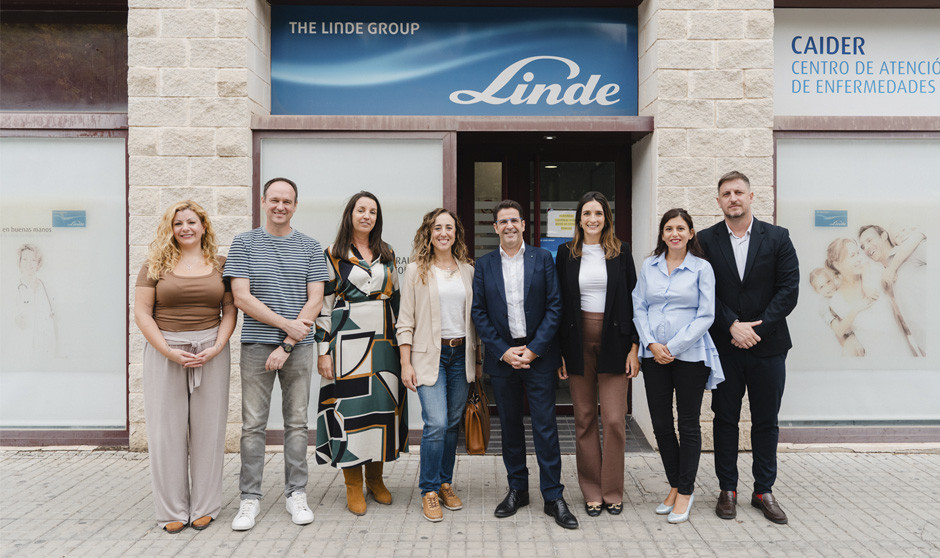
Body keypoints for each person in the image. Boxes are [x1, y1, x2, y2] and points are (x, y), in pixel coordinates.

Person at [225, 178, 328, 531]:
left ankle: (296, 494)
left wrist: (287, 344)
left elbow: (315, 299)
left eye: (287, 201)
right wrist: (288, 326)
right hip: (255, 346)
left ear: (295, 205)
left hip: (298, 350)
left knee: (297, 425)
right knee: (252, 426)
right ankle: (249, 499)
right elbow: (242, 297)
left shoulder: (311, 247)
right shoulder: (243, 243)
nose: (280, 206)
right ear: (264, 202)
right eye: (275, 200)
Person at [697, 171, 799, 525]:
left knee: (765, 421)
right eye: (726, 193)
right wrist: (730, 326)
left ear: (751, 196)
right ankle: (728, 490)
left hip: (768, 346)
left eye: (739, 192)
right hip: (724, 347)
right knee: (724, 419)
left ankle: (763, 491)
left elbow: (788, 290)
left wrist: (756, 328)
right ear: (719, 200)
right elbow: (703, 291)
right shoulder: (705, 241)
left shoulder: (778, 238)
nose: (733, 198)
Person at [471, 199, 578, 530]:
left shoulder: (542, 259)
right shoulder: (484, 265)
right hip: (503, 361)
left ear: (523, 224)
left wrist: (532, 349)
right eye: (502, 222)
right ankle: (517, 489)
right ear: (495, 228)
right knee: (511, 428)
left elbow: (555, 307)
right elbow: (479, 312)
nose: (509, 226)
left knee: (545, 427)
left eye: (513, 220)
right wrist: (505, 351)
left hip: (539, 358)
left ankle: (553, 496)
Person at [134, 200, 236, 534]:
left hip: (211, 352)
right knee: (167, 432)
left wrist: (217, 347)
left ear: (204, 226)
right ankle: (172, 510)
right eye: (178, 223)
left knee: (209, 430)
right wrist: (169, 352)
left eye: (192, 222)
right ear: (171, 228)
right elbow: (142, 313)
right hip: (166, 351)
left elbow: (230, 310)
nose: (185, 228)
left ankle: (205, 506)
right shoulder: (154, 264)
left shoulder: (221, 264)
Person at [315, 191, 408, 516]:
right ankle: (353, 484)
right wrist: (323, 350)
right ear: (350, 215)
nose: (366, 215)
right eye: (361, 210)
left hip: (384, 343)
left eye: (372, 211)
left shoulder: (387, 253)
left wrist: (403, 347)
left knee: (381, 410)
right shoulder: (332, 254)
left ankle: (377, 480)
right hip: (347, 343)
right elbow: (323, 306)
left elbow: (397, 300)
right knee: (350, 410)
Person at [632, 208, 724, 524]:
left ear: (690, 233)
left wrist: (674, 346)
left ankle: (685, 492)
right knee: (660, 423)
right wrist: (651, 344)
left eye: (681, 228)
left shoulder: (702, 269)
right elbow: (639, 307)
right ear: (662, 234)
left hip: (690, 356)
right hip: (654, 356)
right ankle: (675, 484)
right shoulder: (649, 266)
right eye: (669, 228)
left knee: (687, 423)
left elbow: (706, 314)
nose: (675, 233)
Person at [555, 191, 639, 517]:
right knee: (585, 418)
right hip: (577, 343)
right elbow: (560, 305)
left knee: (615, 420)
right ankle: (591, 490)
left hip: (615, 341)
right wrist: (561, 353)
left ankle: (612, 490)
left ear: (607, 219)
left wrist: (635, 347)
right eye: (587, 213)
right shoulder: (566, 253)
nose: (593, 219)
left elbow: (634, 301)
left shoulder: (621, 252)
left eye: (599, 214)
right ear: (579, 218)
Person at [397, 208, 480, 522]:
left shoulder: (467, 270)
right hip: (429, 357)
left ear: (456, 233)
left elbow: (474, 320)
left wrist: (479, 362)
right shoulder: (417, 270)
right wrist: (406, 363)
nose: (443, 233)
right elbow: (404, 322)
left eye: (449, 228)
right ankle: (428, 489)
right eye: (437, 228)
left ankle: (446, 482)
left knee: (452, 423)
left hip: (461, 356)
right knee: (436, 423)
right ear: (428, 234)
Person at [824, 238, 907, 358]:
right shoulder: (836, 301)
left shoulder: (875, 275)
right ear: (838, 265)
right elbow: (845, 332)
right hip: (875, 360)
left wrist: (866, 282)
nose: (859, 259)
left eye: (858, 253)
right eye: (852, 255)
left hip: (904, 352)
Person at [857, 224, 926, 356]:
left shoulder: (912, 250)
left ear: (883, 235)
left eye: (869, 240)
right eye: (863, 246)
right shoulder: (880, 278)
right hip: (922, 345)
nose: (866, 248)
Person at [808, 266, 865, 357]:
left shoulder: (840, 286)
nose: (828, 287)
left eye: (828, 281)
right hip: (849, 334)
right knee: (849, 352)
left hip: (860, 325)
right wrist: (855, 311)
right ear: (817, 291)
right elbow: (839, 331)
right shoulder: (824, 306)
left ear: (832, 278)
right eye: (821, 287)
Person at [14, 244, 58, 355]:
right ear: (19, 263)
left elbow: (53, 317)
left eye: (33, 260)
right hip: (22, 348)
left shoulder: (46, 288)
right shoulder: (13, 288)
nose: (29, 264)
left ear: (38, 263)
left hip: (45, 347)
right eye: (25, 259)